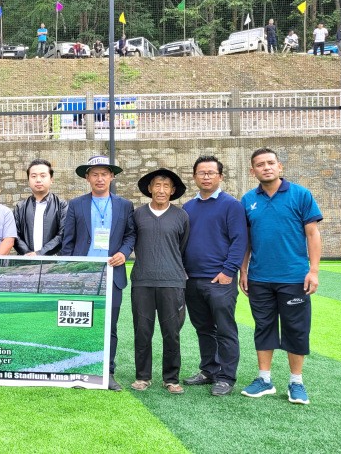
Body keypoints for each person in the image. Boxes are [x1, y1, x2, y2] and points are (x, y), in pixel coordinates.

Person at [239, 148, 322, 405]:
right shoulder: (247, 200)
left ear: (280, 166)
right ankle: (264, 379)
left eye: (270, 163)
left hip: (294, 277)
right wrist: (244, 270)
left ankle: (296, 382)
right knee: (263, 327)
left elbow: (312, 234)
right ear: (252, 171)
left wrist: (314, 271)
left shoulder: (301, 194)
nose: (266, 167)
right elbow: (246, 240)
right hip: (259, 278)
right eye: (260, 164)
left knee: (296, 329)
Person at [60, 155, 136, 391]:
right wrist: (70, 271)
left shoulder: (125, 205)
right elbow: (68, 241)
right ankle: (80, 370)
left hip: (113, 274)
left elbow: (130, 235)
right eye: (95, 174)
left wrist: (124, 252)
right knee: (81, 323)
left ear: (112, 176)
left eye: (104, 174)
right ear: (87, 178)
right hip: (84, 274)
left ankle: (107, 372)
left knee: (109, 325)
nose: (100, 178)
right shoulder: (76, 205)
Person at [181, 156, 248, 397]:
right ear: (194, 177)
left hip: (220, 280)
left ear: (220, 176)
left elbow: (240, 240)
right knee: (203, 328)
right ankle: (209, 370)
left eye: (211, 173)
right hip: (192, 279)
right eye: (202, 173)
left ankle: (226, 377)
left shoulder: (232, 205)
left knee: (225, 329)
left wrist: (228, 271)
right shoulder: (187, 208)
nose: (206, 177)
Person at [129, 169, 189, 395]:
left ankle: (171, 378)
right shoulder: (138, 215)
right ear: (150, 188)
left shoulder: (181, 216)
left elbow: (182, 247)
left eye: (166, 186)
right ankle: (142, 376)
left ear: (172, 190)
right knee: (142, 331)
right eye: (157, 185)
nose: (161, 190)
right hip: (142, 281)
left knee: (171, 332)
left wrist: (172, 268)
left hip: (172, 281)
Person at [13, 159, 67, 256]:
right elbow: (14, 235)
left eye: (43, 176)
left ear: (51, 179)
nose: (38, 180)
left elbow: (63, 234)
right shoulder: (20, 207)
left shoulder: (62, 205)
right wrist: (28, 254)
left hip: (53, 261)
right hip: (25, 260)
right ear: (28, 180)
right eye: (33, 176)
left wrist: (40, 254)